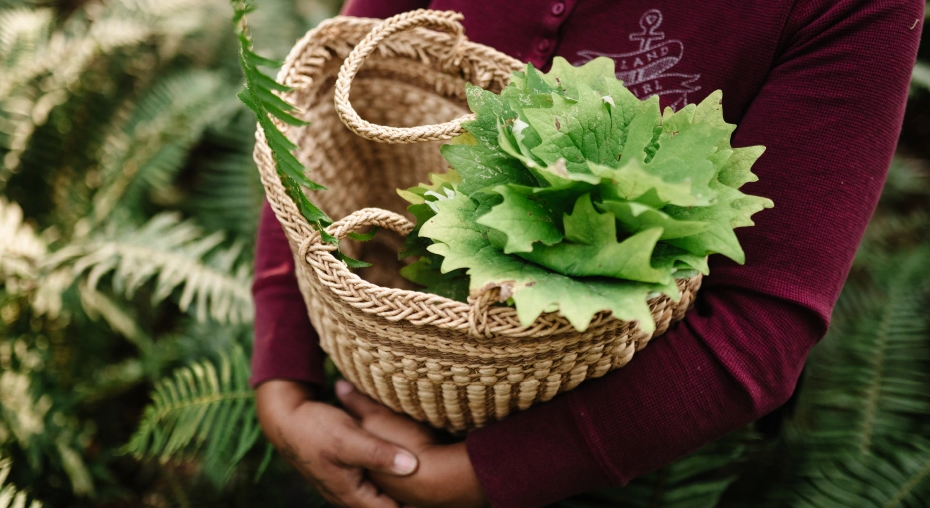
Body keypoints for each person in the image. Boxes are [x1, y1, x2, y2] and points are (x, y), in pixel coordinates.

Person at [252, 1, 924, 507]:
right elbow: (325, 112)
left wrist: (469, 481)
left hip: (640, 464)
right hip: (366, 376)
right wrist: (283, 385)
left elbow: (759, 326)